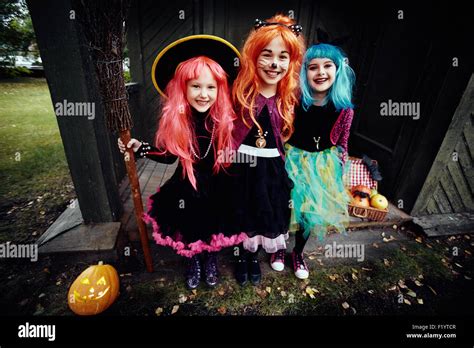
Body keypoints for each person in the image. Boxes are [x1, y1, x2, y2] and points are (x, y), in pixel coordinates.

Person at [118, 36, 246, 289]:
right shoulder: (180, 120)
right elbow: (168, 156)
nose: (204, 94)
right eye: (196, 86)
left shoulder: (225, 120)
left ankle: (209, 258)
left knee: (213, 224)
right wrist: (141, 148)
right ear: (183, 88)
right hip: (186, 186)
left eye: (211, 87)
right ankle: (193, 261)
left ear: (220, 90)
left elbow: (237, 155)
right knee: (190, 223)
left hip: (218, 185)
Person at [221, 14, 305, 286]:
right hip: (242, 165)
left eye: (283, 57)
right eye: (266, 55)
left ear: (291, 62)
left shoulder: (290, 96)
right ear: (254, 56)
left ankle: (254, 256)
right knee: (242, 210)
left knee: (264, 211)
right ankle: (242, 258)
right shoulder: (239, 90)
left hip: (272, 168)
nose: (274, 63)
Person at [284, 42, 356, 279]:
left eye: (327, 66)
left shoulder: (343, 108)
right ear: (304, 73)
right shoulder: (294, 101)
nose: (321, 72)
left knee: (307, 213)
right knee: (283, 207)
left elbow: (342, 141)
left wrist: (338, 170)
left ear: (338, 71)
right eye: (313, 67)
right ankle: (276, 249)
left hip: (322, 166)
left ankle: (297, 252)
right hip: (291, 159)